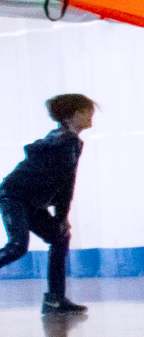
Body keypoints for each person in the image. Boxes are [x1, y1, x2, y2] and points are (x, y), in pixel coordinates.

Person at [0, 93, 96, 314]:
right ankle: (55, 299)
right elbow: (66, 185)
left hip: (30, 201)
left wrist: (61, 220)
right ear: (73, 115)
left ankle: (55, 299)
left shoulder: (64, 138)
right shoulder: (66, 142)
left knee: (59, 237)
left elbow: (61, 184)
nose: (90, 115)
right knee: (17, 247)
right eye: (86, 110)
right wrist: (61, 218)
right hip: (14, 196)